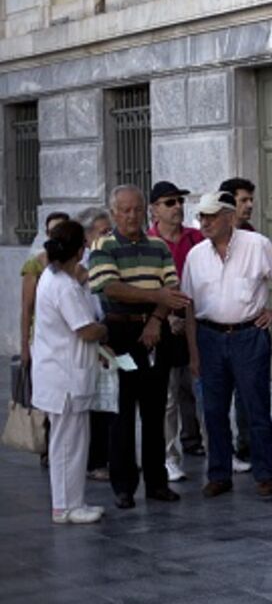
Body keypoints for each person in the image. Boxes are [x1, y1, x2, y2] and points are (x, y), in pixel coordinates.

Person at [182, 192, 272, 498]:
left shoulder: (256, 245)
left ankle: (265, 473)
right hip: (209, 336)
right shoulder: (196, 255)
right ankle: (219, 472)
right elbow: (189, 307)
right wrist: (193, 351)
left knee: (255, 406)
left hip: (248, 335)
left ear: (229, 217)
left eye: (212, 216)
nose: (205, 222)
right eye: (202, 216)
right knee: (213, 410)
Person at [88, 185, 192, 509]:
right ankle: (123, 485)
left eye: (136, 209)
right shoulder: (103, 246)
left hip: (154, 335)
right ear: (114, 213)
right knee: (122, 410)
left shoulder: (158, 246)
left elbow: (172, 289)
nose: (132, 216)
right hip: (120, 336)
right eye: (125, 210)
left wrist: (155, 318)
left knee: (154, 408)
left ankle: (156, 481)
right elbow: (111, 288)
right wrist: (155, 297)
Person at [32, 220, 109, 525]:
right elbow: (86, 329)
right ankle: (65, 506)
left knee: (71, 442)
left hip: (61, 373)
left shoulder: (53, 278)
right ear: (80, 250)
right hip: (65, 376)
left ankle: (72, 501)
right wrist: (104, 328)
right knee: (68, 444)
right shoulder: (62, 286)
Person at [147, 181, 207, 483]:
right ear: (155, 209)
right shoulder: (149, 242)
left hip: (197, 319)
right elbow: (147, 287)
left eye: (180, 201)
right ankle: (169, 456)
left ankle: (216, 447)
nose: (178, 207)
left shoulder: (195, 238)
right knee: (168, 396)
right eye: (169, 203)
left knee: (202, 389)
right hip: (165, 324)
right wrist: (166, 317)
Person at [218, 177, 258, 464]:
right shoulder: (205, 241)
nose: (250, 205)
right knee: (216, 402)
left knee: (249, 397)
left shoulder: (254, 238)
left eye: (250, 200)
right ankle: (220, 455)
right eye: (243, 200)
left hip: (247, 332)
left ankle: (248, 446)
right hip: (214, 333)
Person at [77, 207, 113, 482]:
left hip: (109, 336)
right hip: (92, 342)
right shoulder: (79, 269)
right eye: (104, 232)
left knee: (112, 403)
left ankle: (112, 457)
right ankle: (95, 461)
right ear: (88, 237)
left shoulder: (109, 258)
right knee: (95, 408)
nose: (108, 236)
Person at [20, 211, 70, 369]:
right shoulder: (34, 265)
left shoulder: (79, 262)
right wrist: (24, 347)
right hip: (43, 339)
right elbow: (27, 309)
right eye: (52, 232)